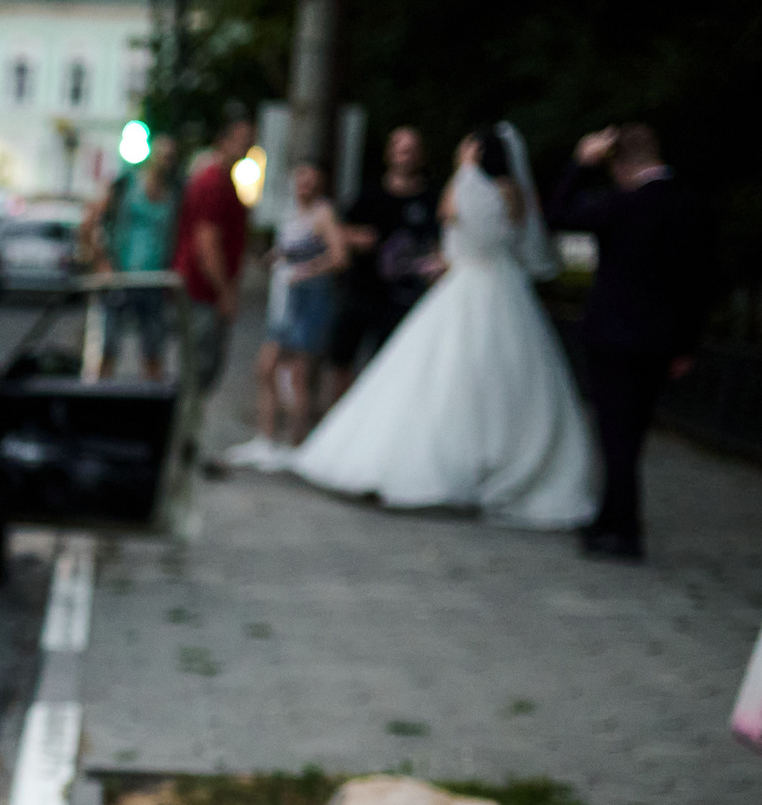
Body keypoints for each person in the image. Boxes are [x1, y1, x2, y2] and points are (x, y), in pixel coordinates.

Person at [233, 125, 596, 530]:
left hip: (465, 287)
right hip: (506, 290)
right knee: (503, 382)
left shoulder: (461, 186)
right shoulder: (514, 194)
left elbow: (450, 228)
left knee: (438, 379)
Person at [548, 122, 708, 561]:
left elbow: (559, 215)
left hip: (615, 340)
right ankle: (611, 518)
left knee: (615, 437)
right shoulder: (688, 205)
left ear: (619, 164)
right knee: (631, 437)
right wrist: (686, 346)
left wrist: (581, 165)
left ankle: (623, 529)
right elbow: (698, 284)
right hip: (660, 343)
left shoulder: (623, 205)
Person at [326, 125, 444, 411]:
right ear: (389, 153)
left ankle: (375, 416)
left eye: (411, 149)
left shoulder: (430, 200)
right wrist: (357, 238)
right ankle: (340, 418)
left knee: (386, 365)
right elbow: (338, 230)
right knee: (341, 358)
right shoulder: (370, 194)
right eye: (400, 148)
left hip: (401, 300)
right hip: (362, 291)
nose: (405, 155)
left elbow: (440, 247)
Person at [237, 163, 349, 457]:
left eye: (312, 181)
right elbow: (288, 251)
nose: (305, 186)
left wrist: (308, 271)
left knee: (298, 375)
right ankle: (268, 439)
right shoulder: (289, 213)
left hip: (308, 303)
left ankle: (298, 445)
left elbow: (339, 257)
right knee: (267, 369)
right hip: (284, 302)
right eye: (301, 180)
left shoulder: (323, 213)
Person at [171, 114, 256, 399]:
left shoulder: (220, 181)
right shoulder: (214, 183)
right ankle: (183, 437)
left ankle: (186, 434)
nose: (245, 149)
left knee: (200, 372)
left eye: (249, 143)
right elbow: (207, 244)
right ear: (223, 141)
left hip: (202, 292)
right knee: (197, 373)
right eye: (241, 141)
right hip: (202, 294)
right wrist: (225, 292)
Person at [81, 150, 180, 380]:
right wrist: (102, 262)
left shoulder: (174, 195)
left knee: (154, 349)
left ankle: (153, 406)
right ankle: (100, 400)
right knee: (108, 347)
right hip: (120, 278)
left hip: (154, 282)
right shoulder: (127, 186)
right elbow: (89, 223)